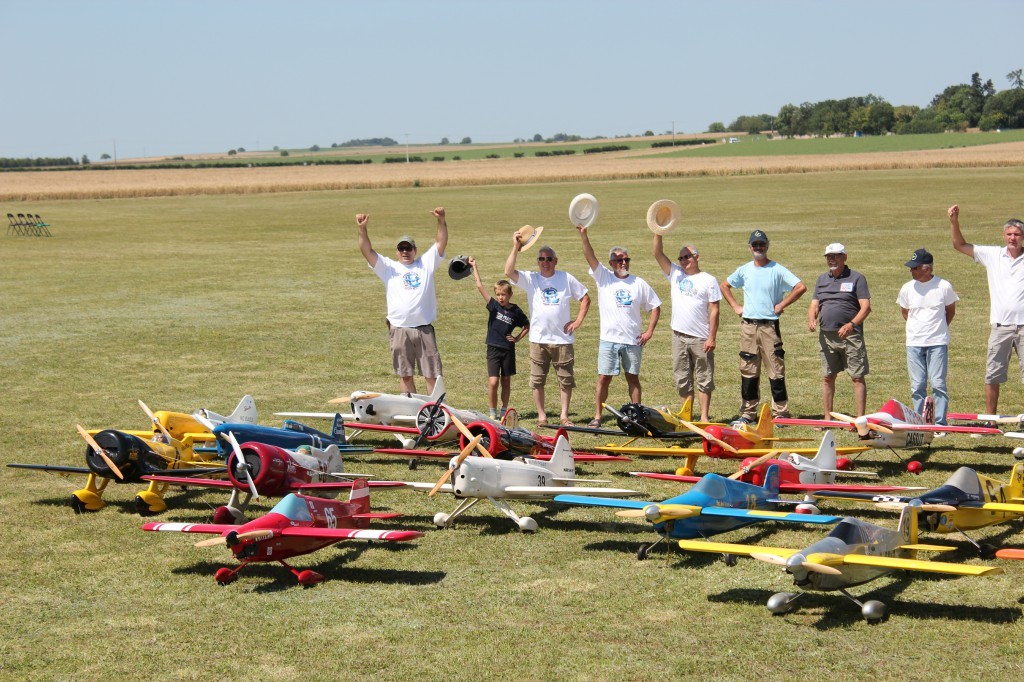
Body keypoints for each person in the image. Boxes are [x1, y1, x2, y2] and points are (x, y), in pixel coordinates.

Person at [356, 207, 448, 394]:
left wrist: (441, 220)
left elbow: (441, 241)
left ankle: (435, 412)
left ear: (415, 250)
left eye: (409, 248)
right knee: (405, 375)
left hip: (423, 328)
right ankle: (411, 410)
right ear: (397, 252)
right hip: (398, 329)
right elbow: (366, 250)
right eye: (401, 248)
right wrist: (362, 229)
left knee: (431, 374)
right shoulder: (388, 267)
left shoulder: (426, 263)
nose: (405, 251)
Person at [720, 229, 806, 422]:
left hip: (769, 327)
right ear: (749, 247)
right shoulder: (744, 270)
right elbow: (724, 285)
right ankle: (748, 413)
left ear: (767, 245)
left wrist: (782, 304)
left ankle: (781, 414)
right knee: (748, 369)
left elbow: (800, 286)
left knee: (776, 369)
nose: (758, 247)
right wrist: (735, 306)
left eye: (762, 244)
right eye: (755, 244)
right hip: (748, 327)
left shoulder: (777, 269)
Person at [579, 226, 661, 427]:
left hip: (632, 340)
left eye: (626, 259)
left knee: (633, 378)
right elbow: (589, 256)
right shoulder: (604, 277)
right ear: (611, 263)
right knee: (603, 379)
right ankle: (597, 416)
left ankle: (637, 415)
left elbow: (655, 306)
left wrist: (649, 331)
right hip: (609, 339)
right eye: (619, 260)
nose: (623, 263)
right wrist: (584, 235)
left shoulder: (638, 283)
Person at [504, 238, 591, 426]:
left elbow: (585, 298)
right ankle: (542, 416)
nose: (545, 262)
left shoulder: (565, 278)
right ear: (538, 262)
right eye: (541, 259)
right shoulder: (531, 279)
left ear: (556, 261)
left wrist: (578, 321)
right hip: (538, 339)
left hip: (562, 339)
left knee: (566, 380)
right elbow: (508, 271)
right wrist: (516, 247)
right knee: (537, 380)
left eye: (549, 259)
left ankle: (564, 416)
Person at [949, 204, 1024, 413]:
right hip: (1000, 326)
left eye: (1017, 234)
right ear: (1003, 236)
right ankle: (990, 419)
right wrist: (954, 221)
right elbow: (959, 245)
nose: (1012, 238)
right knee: (992, 374)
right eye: (1009, 234)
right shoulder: (992, 255)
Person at [652, 234, 721, 422]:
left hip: (700, 337)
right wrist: (658, 232)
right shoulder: (675, 274)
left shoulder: (708, 280)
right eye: (681, 258)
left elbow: (714, 310)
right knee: (682, 379)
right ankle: (688, 415)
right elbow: (657, 253)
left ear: (697, 257)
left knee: (704, 378)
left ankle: (704, 417)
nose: (684, 261)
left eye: (687, 257)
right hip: (678, 336)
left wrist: (711, 337)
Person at [807, 243, 871, 417]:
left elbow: (865, 307)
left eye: (835, 256)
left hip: (851, 335)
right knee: (827, 377)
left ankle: (860, 419)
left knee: (857, 377)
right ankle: (828, 417)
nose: (832, 259)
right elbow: (814, 304)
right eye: (829, 256)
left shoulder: (857, 278)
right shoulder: (821, 280)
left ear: (845, 257)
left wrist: (851, 325)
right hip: (827, 336)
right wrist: (812, 318)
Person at [897, 248, 959, 427]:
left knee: (938, 383)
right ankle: (919, 422)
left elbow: (950, 311)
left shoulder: (943, 286)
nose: (911, 271)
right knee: (917, 385)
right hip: (914, 343)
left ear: (927, 268)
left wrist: (938, 329)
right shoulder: (907, 288)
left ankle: (939, 422)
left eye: (915, 268)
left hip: (937, 342)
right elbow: (905, 312)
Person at [469, 257, 530, 420]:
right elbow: (479, 286)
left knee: (506, 381)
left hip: (508, 350)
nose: (500, 297)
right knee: (493, 382)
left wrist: (517, 338)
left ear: (510, 294)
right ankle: (492, 413)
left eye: (503, 294)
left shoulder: (516, 311)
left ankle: (504, 411)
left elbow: (527, 325)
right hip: (493, 348)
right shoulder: (494, 306)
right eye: (498, 294)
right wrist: (475, 266)